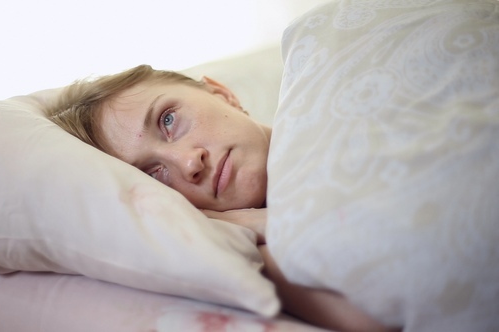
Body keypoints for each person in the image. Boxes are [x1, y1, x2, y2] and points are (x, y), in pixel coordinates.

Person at [46, 64, 400, 332]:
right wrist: (250, 224)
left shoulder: (360, 101)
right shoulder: (252, 258)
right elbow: (391, 312)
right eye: (153, 174)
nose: (188, 162)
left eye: (168, 120)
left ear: (221, 93)